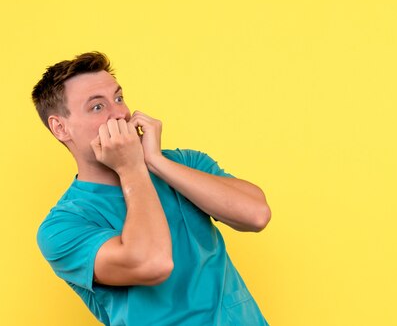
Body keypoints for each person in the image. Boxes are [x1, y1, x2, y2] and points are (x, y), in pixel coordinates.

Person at [33, 52, 271, 326]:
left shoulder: (184, 163)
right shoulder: (62, 227)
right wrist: (131, 168)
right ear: (61, 128)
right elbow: (153, 264)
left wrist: (155, 162)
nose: (120, 113)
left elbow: (256, 215)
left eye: (119, 98)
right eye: (98, 107)